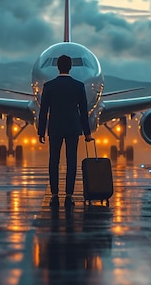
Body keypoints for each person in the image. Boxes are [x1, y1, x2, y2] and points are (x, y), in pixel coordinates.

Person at [38, 55, 93, 207]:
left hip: (55, 127)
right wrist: (87, 133)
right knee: (72, 161)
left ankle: (54, 193)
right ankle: (69, 194)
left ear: (57, 67)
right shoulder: (78, 86)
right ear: (70, 67)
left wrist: (41, 131)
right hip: (73, 127)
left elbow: (44, 111)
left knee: (53, 161)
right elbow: (83, 111)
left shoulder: (49, 86)